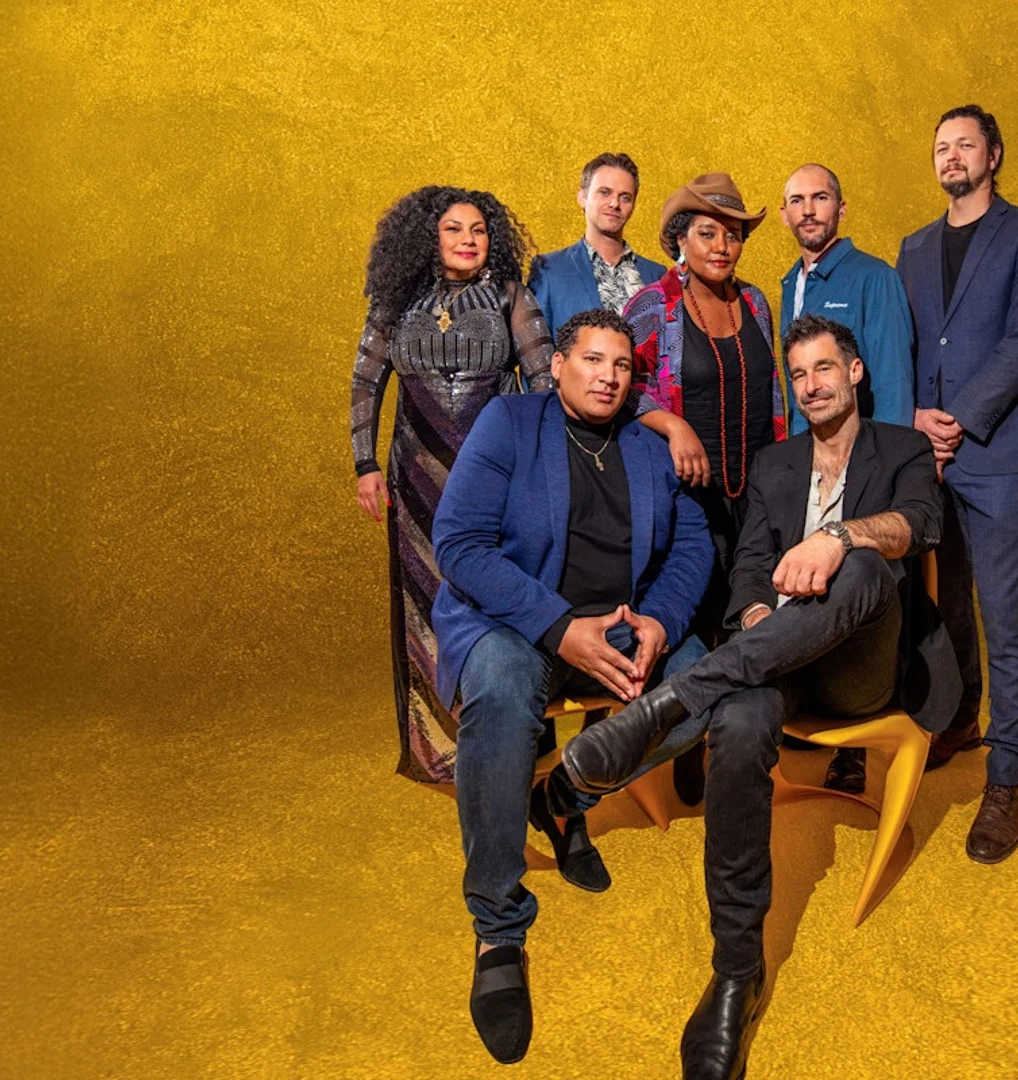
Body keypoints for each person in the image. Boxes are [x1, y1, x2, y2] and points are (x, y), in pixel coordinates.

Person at [559, 315, 961, 1080]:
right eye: (798, 375)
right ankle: (735, 972)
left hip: (859, 669)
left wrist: (837, 539)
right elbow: (748, 570)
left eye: (824, 369)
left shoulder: (901, 449)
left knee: (864, 566)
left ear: (855, 373)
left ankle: (669, 705)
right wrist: (754, 617)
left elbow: (921, 523)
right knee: (740, 725)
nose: (811, 386)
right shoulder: (776, 466)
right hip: (774, 660)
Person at [430, 308, 715, 1065]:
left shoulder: (648, 447)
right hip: (517, 623)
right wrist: (559, 628)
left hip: (619, 627)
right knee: (500, 685)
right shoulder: (510, 424)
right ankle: (497, 929)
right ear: (557, 365)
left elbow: (691, 545)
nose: (607, 377)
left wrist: (659, 622)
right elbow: (458, 543)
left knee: (708, 686)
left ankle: (563, 797)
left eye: (621, 365)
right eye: (592, 360)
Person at [895, 104, 1018, 864]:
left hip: (998, 453)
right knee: (945, 600)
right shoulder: (914, 247)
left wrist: (957, 420)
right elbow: (906, 344)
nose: (951, 156)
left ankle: (1005, 776)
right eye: (941, 147)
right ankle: (961, 717)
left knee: (1004, 613)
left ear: (993, 154)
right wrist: (915, 420)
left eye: (965, 144)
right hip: (931, 457)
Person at [350, 185, 553, 786]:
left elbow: (544, 382)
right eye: (454, 229)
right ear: (428, 238)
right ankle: (435, 747)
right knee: (423, 602)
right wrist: (365, 465)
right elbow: (366, 381)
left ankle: (501, 736)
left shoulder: (512, 296)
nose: (468, 240)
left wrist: (543, 469)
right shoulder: (396, 301)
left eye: (479, 230)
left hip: (497, 481)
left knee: (493, 597)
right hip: (415, 481)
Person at [623, 172, 787, 805]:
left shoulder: (756, 303)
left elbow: (773, 392)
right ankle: (688, 743)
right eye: (707, 233)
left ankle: (739, 749)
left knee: (752, 619)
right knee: (696, 621)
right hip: (688, 496)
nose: (722, 246)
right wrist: (673, 426)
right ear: (680, 240)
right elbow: (619, 383)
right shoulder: (653, 304)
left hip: (758, 490)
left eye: (732, 235)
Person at [777, 162, 918, 795]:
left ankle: (858, 742)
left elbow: (892, 386)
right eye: (796, 200)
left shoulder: (874, 278)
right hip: (805, 468)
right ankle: (799, 702)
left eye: (820, 198)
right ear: (785, 213)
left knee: (860, 587)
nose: (808, 210)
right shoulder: (789, 282)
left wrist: (888, 479)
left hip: (862, 470)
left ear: (841, 208)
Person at [527, 152, 668, 336]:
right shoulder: (549, 269)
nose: (614, 203)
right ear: (582, 197)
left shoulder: (657, 275)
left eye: (625, 197)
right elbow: (536, 346)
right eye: (604, 192)